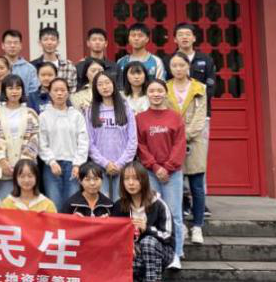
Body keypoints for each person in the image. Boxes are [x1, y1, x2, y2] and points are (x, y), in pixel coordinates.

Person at [136, 78, 187, 269]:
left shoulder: (175, 117)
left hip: (172, 173)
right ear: (146, 94)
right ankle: (155, 251)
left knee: (174, 213)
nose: (156, 94)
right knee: (152, 213)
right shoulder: (140, 118)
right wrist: (155, 167)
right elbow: (140, 145)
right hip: (150, 173)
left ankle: (176, 253)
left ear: (166, 93)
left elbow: (180, 144)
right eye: (152, 91)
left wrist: (168, 167)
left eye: (159, 90)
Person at [112, 161, 174, 282]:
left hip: (162, 252)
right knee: (122, 256)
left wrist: (147, 229)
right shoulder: (119, 206)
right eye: (126, 179)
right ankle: (143, 280)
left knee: (148, 242)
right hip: (134, 252)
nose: (131, 183)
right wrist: (128, 246)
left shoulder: (158, 204)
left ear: (144, 180)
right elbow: (114, 235)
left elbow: (168, 236)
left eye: (136, 178)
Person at [165, 53, 209, 246]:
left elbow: (200, 117)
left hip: (195, 141)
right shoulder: (165, 88)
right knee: (177, 185)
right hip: (171, 143)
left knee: (197, 185)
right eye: (174, 65)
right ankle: (181, 224)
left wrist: (185, 135)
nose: (178, 69)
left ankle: (198, 225)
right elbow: (164, 114)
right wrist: (176, 137)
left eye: (181, 65)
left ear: (188, 66)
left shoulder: (199, 88)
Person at [0, 74, 40, 199]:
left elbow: (34, 140)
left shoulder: (31, 114)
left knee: (26, 204)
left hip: (26, 171)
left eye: (18, 88)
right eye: (10, 88)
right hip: (3, 169)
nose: (14, 92)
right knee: (6, 204)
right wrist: (3, 162)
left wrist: (23, 165)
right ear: (4, 90)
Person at [85, 70, 137, 201]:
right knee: (102, 203)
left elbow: (132, 140)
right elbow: (89, 142)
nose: (105, 87)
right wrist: (105, 163)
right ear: (95, 88)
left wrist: (120, 163)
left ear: (113, 84)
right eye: (100, 84)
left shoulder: (125, 108)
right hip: (99, 168)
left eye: (107, 83)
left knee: (122, 203)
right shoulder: (91, 110)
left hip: (123, 167)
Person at [38, 77, 89, 206]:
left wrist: (78, 164)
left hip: (73, 166)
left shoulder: (76, 115)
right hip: (51, 166)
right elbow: (41, 142)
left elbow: (83, 141)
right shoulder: (43, 116)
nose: (59, 93)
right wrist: (51, 161)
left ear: (68, 92)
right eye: (55, 90)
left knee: (72, 205)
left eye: (62, 90)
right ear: (50, 93)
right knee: (54, 204)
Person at [0, 29, 39, 97]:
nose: (12, 45)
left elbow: (33, 93)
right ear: (3, 45)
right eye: (9, 43)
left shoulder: (30, 69)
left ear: (20, 45)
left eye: (15, 43)